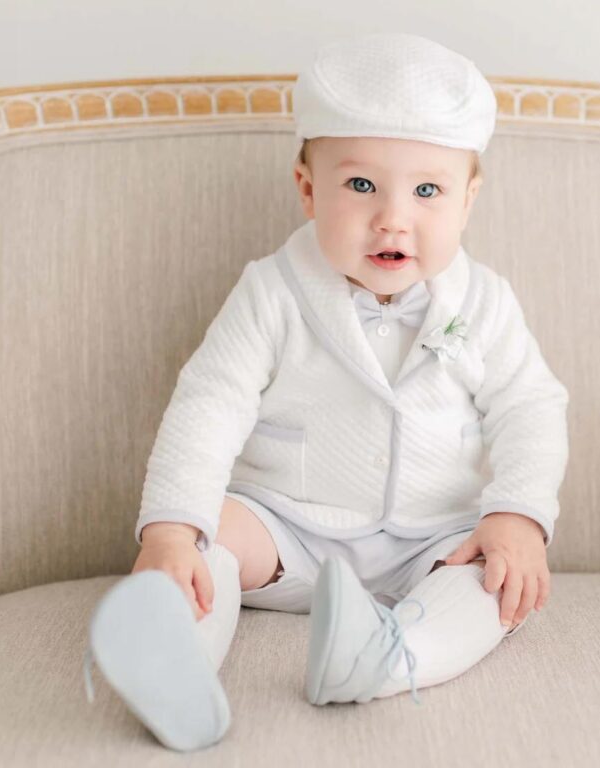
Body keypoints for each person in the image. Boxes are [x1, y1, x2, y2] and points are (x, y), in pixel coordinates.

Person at [83, 31, 570, 753]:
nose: (393, 217)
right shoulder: (272, 291)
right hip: (289, 528)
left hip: (432, 539)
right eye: (362, 185)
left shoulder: (487, 303)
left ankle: (383, 657)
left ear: (468, 200)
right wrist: (170, 531)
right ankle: (175, 659)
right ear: (309, 189)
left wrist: (518, 518)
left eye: (427, 190)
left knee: (497, 587)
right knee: (214, 532)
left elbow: (531, 408)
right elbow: (210, 401)